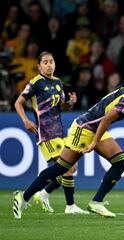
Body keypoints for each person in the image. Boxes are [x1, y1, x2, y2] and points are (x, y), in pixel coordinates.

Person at [13, 70, 124, 219]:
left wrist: (96, 139)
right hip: (84, 129)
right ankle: (23, 196)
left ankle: (96, 202)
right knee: (61, 167)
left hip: (95, 128)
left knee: (121, 162)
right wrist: (94, 142)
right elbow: (106, 120)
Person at [14, 51, 88, 215]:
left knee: (70, 167)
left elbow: (61, 107)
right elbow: (18, 103)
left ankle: (44, 193)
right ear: (39, 66)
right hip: (46, 133)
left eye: (51, 61)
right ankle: (68, 205)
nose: (49, 64)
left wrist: (70, 103)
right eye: (45, 62)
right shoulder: (36, 83)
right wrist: (26, 120)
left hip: (59, 132)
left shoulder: (58, 83)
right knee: (68, 167)